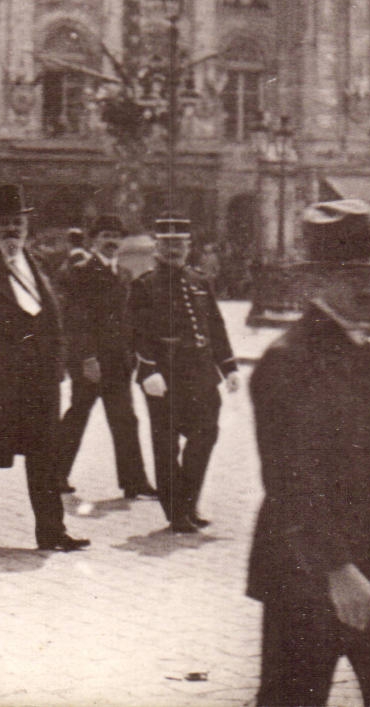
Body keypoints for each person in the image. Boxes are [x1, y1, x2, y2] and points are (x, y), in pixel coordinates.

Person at [247, 198, 370, 706]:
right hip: (306, 573)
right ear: (315, 282)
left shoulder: (361, 352)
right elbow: (288, 481)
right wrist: (337, 570)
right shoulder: (288, 361)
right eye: (350, 275)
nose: (369, 287)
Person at [0, 184, 87, 552]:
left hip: (37, 379)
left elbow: (52, 317)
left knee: (45, 453)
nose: (12, 231)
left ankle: (51, 531)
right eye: (4, 224)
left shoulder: (34, 261)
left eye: (18, 224)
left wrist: (58, 367)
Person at [129, 217, 236, 529]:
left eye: (179, 244)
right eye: (167, 244)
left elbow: (215, 326)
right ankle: (177, 512)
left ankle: (187, 502)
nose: (173, 249)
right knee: (167, 445)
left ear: (189, 247)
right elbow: (136, 332)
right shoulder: (145, 284)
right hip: (164, 377)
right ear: (157, 247)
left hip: (202, 375)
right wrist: (148, 369)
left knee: (206, 435)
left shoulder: (199, 281)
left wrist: (228, 366)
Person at [55, 213, 153, 500]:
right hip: (91, 363)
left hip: (118, 362)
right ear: (94, 240)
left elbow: (128, 319)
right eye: (105, 236)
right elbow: (75, 318)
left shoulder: (122, 273)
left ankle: (134, 481)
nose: (112, 242)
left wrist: (133, 354)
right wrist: (86, 358)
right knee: (78, 415)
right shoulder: (81, 271)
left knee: (125, 420)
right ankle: (54, 474)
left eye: (116, 237)